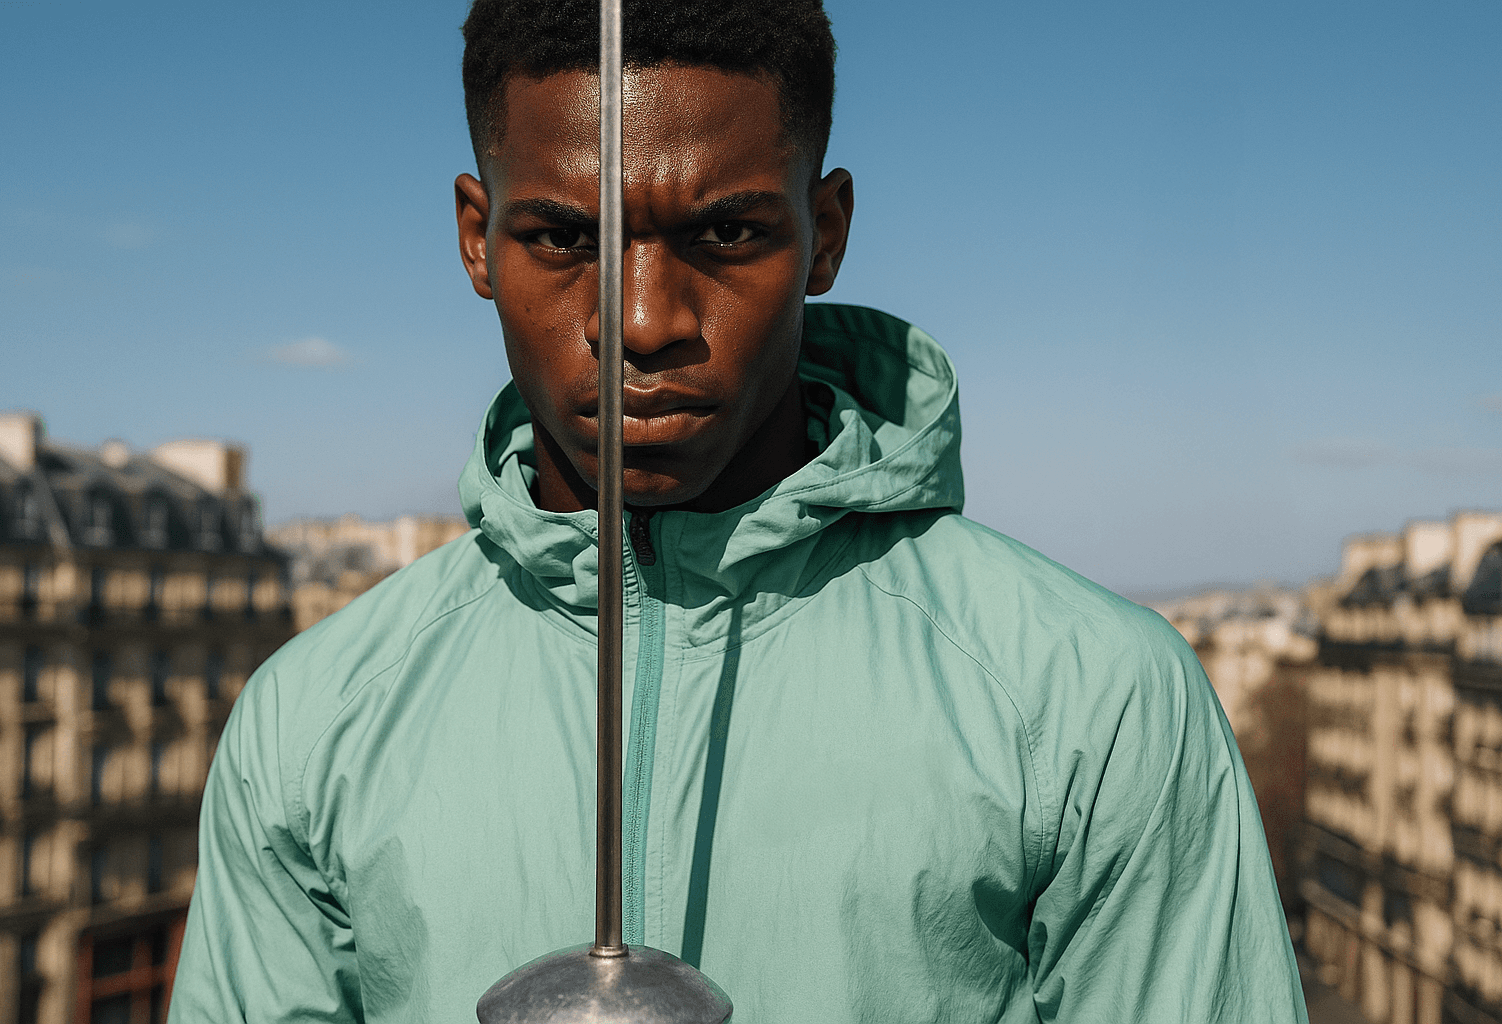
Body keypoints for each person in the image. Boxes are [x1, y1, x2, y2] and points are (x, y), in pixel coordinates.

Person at [171, 0, 1309, 1020]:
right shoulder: (311, 726)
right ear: (479, 236)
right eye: (565, 238)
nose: (645, 318)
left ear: (829, 232)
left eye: (726, 234)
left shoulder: (1089, 701)